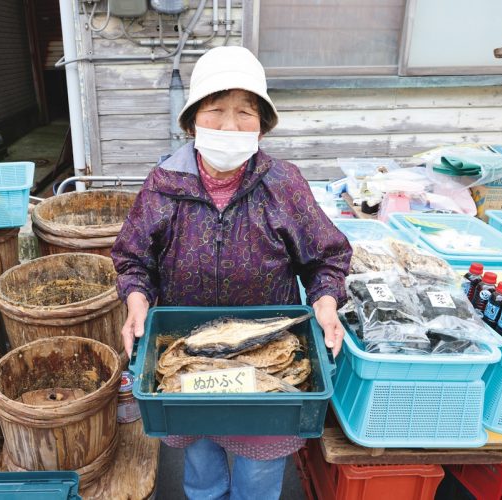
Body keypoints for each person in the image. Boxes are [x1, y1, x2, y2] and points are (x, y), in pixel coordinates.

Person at [111, 46, 352, 500]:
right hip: (189, 353)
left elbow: (326, 257)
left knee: (258, 476)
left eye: (246, 113)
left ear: (262, 124)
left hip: (268, 347)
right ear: (191, 123)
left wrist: (325, 304)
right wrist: (136, 301)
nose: (229, 125)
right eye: (215, 110)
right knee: (201, 465)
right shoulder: (163, 185)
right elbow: (133, 258)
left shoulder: (283, 184)